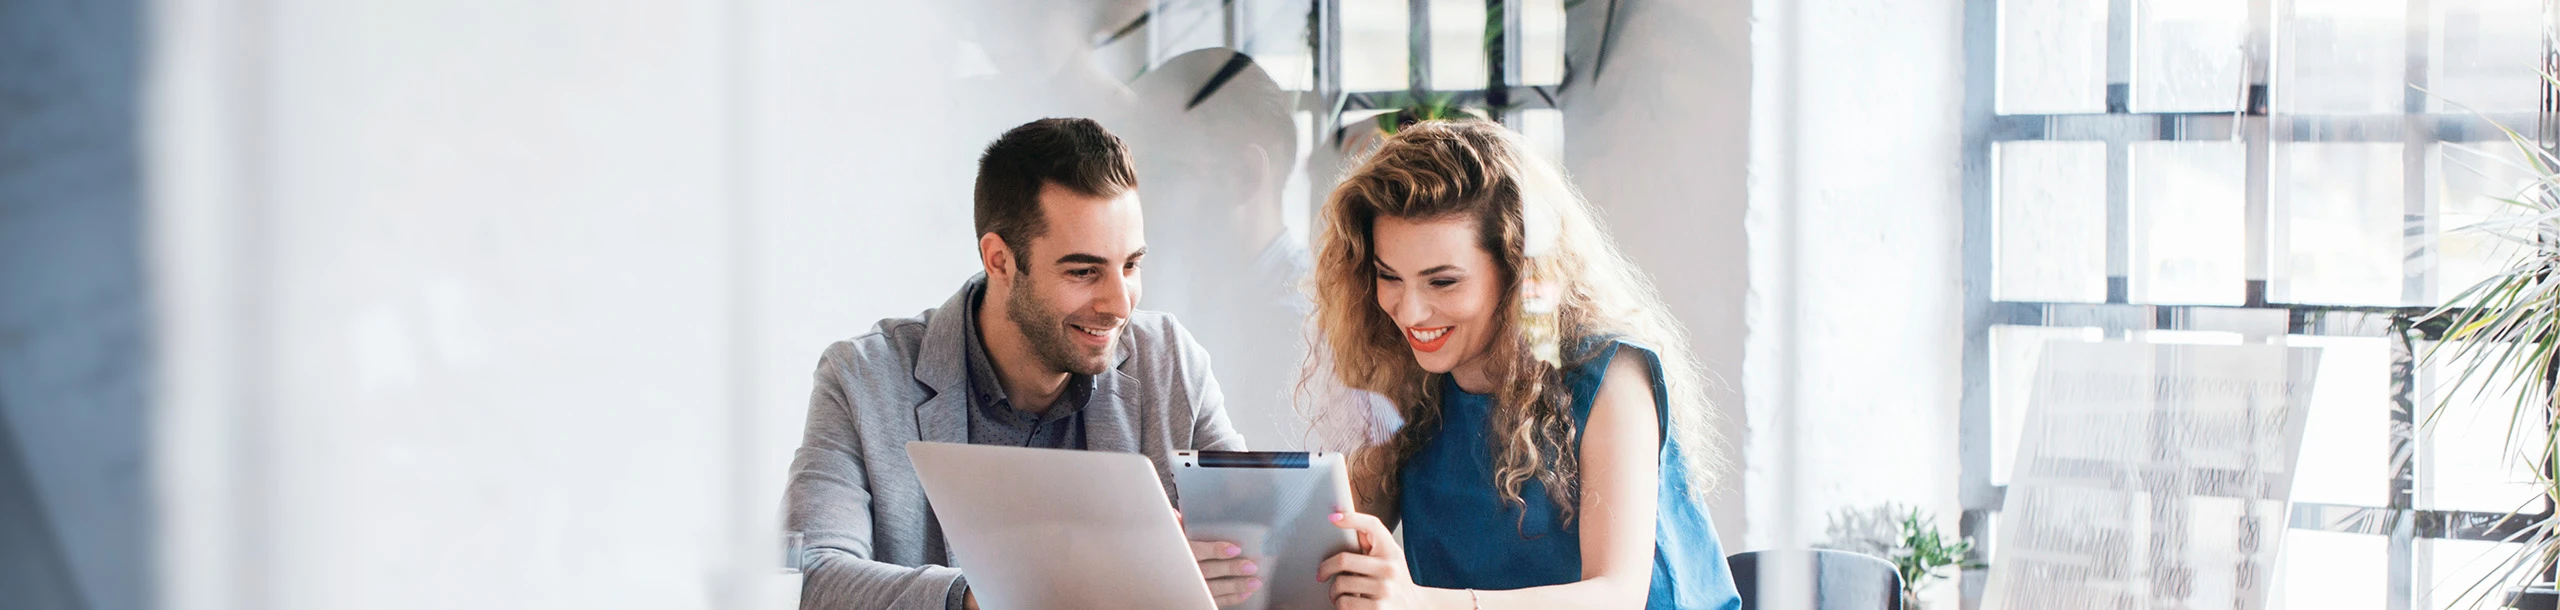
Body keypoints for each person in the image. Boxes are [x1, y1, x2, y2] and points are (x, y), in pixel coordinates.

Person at [785, 118, 1262, 610]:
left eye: (1131, 265)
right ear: (999, 261)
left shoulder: (1168, 362)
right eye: (1083, 271)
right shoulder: (862, 379)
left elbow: (1256, 541)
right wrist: (1008, 593)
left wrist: (1330, 566)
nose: (1120, 303)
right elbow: (812, 576)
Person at [1304, 120, 1744, 610]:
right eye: (1390, 277)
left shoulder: (1612, 376)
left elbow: (1617, 595)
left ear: (1516, 271)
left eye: (1443, 282)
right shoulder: (1407, 378)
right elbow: (1326, 550)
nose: (1409, 312)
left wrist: (1420, 604)